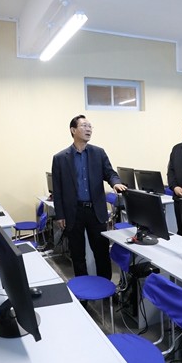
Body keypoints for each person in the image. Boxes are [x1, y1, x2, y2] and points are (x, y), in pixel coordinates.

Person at [51, 115, 127, 279]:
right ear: (73, 130)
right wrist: (60, 215)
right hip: (73, 213)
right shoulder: (60, 158)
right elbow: (57, 190)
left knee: (101, 252)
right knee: (77, 254)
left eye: (90, 126)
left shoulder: (98, 153)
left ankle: (106, 287)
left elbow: (110, 173)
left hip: (95, 211)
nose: (88, 129)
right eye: (84, 126)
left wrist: (115, 183)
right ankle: (83, 289)